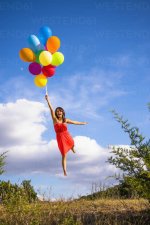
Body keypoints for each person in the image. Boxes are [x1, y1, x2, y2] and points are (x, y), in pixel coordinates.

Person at [45, 94, 87, 176]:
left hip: (66, 135)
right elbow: (51, 109)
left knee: (72, 142)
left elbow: (75, 122)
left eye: (60, 111)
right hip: (60, 137)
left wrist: (83, 123)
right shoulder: (55, 120)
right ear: (56, 114)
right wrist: (47, 100)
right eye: (57, 111)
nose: (59, 112)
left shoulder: (65, 120)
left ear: (62, 112)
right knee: (64, 154)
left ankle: (72, 148)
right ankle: (64, 170)